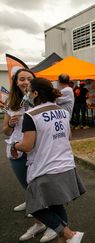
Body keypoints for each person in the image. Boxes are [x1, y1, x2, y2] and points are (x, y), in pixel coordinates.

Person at [11, 77, 86, 243]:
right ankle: (65, 238)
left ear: (36, 93)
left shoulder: (31, 115)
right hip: (65, 164)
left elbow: (28, 145)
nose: (27, 94)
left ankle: (69, 234)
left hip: (45, 168)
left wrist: (15, 145)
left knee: (34, 207)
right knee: (56, 205)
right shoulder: (62, 111)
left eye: (29, 90)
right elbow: (69, 135)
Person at [2, 68, 57, 242]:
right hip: (18, 151)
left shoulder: (41, 101)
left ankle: (55, 226)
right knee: (29, 190)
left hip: (39, 151)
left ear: (33, 82)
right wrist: (10, 123)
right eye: (21, 79)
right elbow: (5, 132)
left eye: (28, 79)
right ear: (16, 82)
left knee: (44, 190)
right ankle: (39, 222)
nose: (25, 82)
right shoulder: (10, 103)